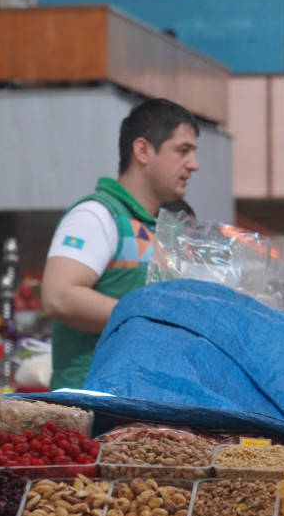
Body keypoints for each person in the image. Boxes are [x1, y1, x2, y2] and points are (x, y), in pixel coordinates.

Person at [42, 96, 199, 389]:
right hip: (93, 407)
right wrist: (153, 319)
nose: (194, 164)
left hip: (137, 403)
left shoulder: (157, 228)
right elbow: (58, 297)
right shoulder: (96, 215)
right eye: (183, 150)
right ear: (142, 151)